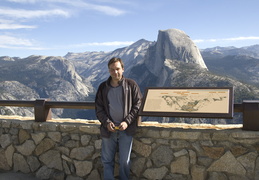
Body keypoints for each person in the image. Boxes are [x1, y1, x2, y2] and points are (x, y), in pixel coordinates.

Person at [95, 57, 142, 180]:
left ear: (123, 69)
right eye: (112, 70)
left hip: (126, 130)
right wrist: (106, 123)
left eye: (117, 69)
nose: (115, 72)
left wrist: (127, 121)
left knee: (125, 161)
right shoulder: (103, 87)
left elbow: (138, 105)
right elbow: (99, 108)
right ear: (108, 70)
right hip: (108, 130)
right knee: (107, 161)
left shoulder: (131, 85)